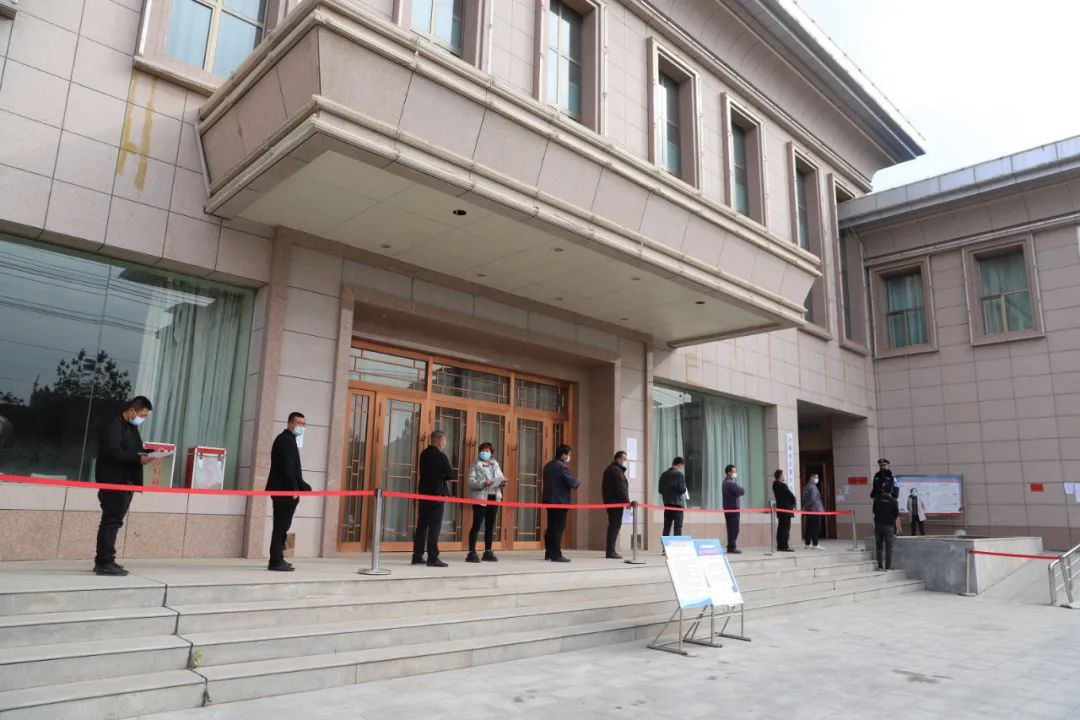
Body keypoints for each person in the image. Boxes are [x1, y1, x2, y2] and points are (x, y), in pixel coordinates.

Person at [93, 396, 154, 576]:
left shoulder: (131, 428)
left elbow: (134, 451)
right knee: (110, 522)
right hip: (114, 481)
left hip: (127, 482)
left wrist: (151, 454)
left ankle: (107, 559)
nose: (142, 419)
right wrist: (138, 459)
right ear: (132, 410)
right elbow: (114, 453)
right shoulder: (114, 426)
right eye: (142, 415)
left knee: (115, 522)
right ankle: (104, 562)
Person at [266, 411, 312, 572]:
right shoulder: (284, 440)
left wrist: (301, 486)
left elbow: (292, 468)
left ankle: (279, 557)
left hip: (286, 490)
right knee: (281, 526)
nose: (301, 427)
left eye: (303, 424)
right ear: (290, 423)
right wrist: (294, 489)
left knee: (282, 526)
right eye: (298, 423)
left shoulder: (289, 440)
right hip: (284, 491)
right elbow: (288, 468)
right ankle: (275, 561)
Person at [414, 430, 455, 567]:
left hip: (423, 492)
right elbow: (449, 474)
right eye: (444, 440)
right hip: (436, 494)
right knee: (434, 527)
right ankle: (432, 557)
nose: (445, 442)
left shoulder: (424, 454)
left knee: (421, 526)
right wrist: (442, 475)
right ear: (439, 440)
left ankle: (417, 555)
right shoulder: (440, 456)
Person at [466, 442, 505, 563]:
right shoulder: (475, 466)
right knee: (477, 524)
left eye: (487, 451)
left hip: (494, 496)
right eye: (482, 450)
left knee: (490, 525)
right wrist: (483, 483)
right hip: (481, 498)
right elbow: (471, 482)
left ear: (491, 453)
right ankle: (471, 552)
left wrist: (502, 482)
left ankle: (488, 551)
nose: (484, 453)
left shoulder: (495, 464)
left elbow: (500, 477)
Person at [541, 444, 579, 563]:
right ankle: (556, 554)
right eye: (568, 455)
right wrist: (577, 481)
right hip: (560, 501)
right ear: (563, 455)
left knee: (551, 527)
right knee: (558, 528)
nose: (569, 457)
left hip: (549, 501)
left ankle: (548, 552)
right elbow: (573, 483)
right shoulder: (562, 467)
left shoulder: (548, 465)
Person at [601, 451, 630, 559]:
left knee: (613, 526)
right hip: (615, 503)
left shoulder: (612, 469)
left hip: (612, 502)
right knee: (614, 526)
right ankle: (611, 551)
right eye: (624, 459)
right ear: (618, 458)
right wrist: (627, 502)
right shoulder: (616, 471)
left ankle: (611, 550)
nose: (625, 461)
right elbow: (621, 488)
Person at [658, 457, 687, 538]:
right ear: (680, 464)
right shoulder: (679, 474)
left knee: (667, 526)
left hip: (667, 504)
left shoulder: (663, 475)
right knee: (677, 527)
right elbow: (681, 489)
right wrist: (685, 489)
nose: (681, 467)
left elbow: (660, 490)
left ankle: (664, 545)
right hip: (678, 505)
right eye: (682, 465)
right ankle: (677, 545)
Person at [873, 484, 900, 571]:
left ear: (883, 490)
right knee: (889, 547)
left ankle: (880, 566)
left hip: (878, 525)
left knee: (879, 546)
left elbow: (874, 511)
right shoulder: (893, 501)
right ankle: (888, 567)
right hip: (889, 526)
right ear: (891, 491)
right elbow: (896, 515)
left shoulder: (877, 499)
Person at [772, 469, 797, 552]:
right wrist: (794, 502)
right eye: (783, 475)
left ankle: (780, 545)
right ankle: (784, 546)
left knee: (781, 528)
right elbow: (791, 496)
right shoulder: (783, 485)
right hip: (786, 509)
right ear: (780, 476)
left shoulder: (774, 485)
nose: (784, 476)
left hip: (780, 509)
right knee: (785, 528)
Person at [721, 464, 744, 554]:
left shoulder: (728, 482)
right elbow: (741, 491)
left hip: (731, 508)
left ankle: (731, 546)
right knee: (733, 528)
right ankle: (731, 547)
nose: (735, 473)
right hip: (732, 508)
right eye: (733, 471)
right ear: (728, 472)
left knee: (733, 528)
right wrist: (739, 490)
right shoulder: (729, 483)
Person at [801, 473, 824, 549]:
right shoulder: (813, 487)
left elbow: (803, 499)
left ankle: (807, 543)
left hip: (808, 510)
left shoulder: (806, 487)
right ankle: (815, 544)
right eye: (815, 477)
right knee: (815, 527)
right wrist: (808, 506)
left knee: (809, 526)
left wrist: (805, 507)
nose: (817, 479)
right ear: (811, 478)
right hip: (815, 510)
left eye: (817, 477)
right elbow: (813, 499)